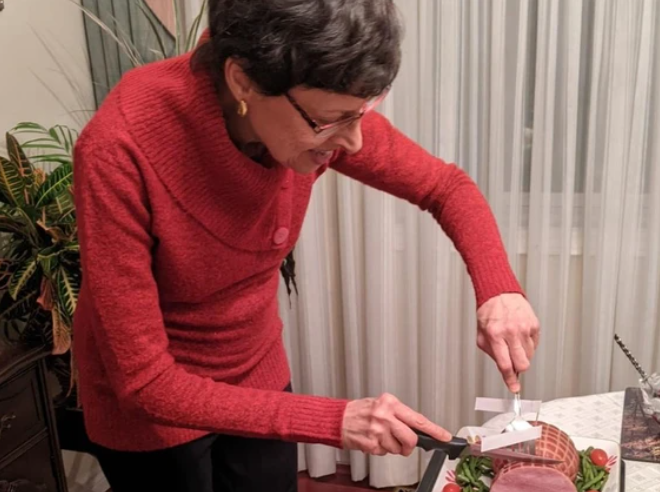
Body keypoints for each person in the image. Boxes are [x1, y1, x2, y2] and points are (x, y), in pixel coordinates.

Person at [72, 0, 540, 491]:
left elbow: (445, 187)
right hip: (153, 406)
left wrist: (500, 291)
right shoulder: (119, 148)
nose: (354, 143)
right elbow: (146, 383)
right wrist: (333, 420)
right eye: (330, 121)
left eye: (361, 113)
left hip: (254, 365)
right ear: (242, 82)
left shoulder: (307, 104)